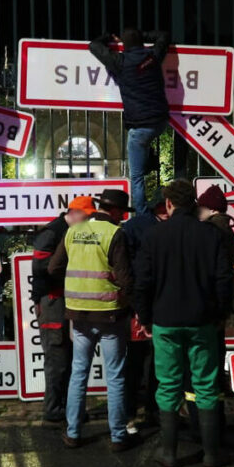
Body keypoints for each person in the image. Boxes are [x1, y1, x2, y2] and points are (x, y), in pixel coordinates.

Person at [134, 180, 233, 467]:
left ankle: (169, 452)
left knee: (168, 385)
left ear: (168, 204)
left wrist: (144, 317)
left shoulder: (153, 236)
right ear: (193, 203)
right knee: (205, 384)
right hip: (202, 320)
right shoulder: (211, 235)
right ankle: (211, 454)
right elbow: (224, 280)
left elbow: (143, 282)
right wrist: (222, 313)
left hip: (165, 322)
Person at [48, 189, 135, 451]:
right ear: (117, 211)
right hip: (110, 313)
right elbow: (125, 278)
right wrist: (134, 306)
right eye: (122, 214)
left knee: (78, 373)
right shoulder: (114, 233)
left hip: (78, 314)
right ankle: (118, 436)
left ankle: (73, 433)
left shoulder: (73, 231)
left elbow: (52, 268)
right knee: (116, 376)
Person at [89, 28, 171, 215]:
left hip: (140, 126)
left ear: (124, 45)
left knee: (136, 176)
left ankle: (141, 213)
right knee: (144, 148)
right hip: (160, 121)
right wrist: (145, 35)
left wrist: (109, 36)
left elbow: (93, 46)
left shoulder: (120, 61)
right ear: (141, 41)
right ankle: (150, 164)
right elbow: (163, 35)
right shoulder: (153, 56)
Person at [31, 195, 96, 424]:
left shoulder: (62, 231)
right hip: (53, 302)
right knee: (57, 359)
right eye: (87, 217)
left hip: (61, 301)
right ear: (76, 213)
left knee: (66, 357)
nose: (88, 222)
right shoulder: (53, 232)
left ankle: (65, 408)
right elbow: (42, 267)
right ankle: (54, 409)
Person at [189, 185, 234, 437]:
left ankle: (204, 428)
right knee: (214, 369)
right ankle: (215, 425)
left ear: (209, 208)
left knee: (202, 372)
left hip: (207, 309)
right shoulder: (227, 229)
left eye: (200, 207)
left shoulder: (211, 231)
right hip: (218, 309)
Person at [120, 198, 169, 433]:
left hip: (141, 304)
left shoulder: (135, 226)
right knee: (147, 362)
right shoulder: (145, 227)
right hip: (149, 303)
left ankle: (135, 412)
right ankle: (149, 410)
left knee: (138, 362)